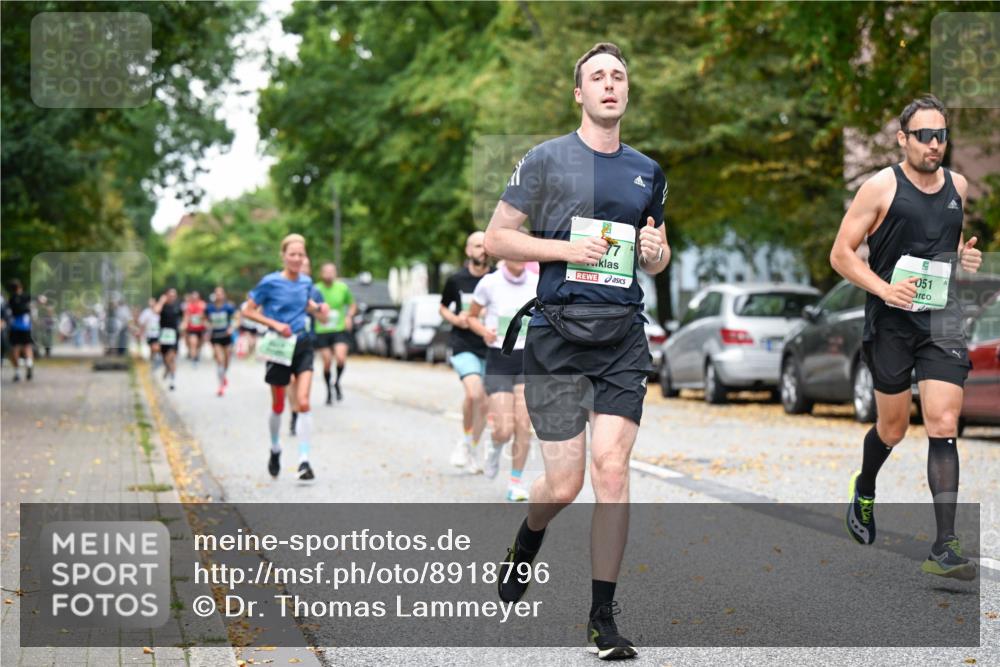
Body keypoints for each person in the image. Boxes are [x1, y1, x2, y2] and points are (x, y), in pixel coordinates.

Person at [484, 43, 670, 660]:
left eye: (618, 76)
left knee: (610, 471)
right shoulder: (545, 160)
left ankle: (601, 618)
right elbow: (496, 237)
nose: (610, 84)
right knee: (563, 485)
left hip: (621, 337)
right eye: (598, 77)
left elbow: (658, 251)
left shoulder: (647, 170)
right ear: (580, 94)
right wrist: (566, 250)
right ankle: (527, 537)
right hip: (558, 338)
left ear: (627, 91)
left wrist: (654, 254)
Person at [831, 94, 982, 581]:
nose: (934, 144)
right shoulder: (880, 187)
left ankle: (945, 546)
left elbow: (947, 246)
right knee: (893, 429)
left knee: (943, 421)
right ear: (903, 138)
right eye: (924, 135)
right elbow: (841, 253)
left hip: (941, 320)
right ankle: (865, 486)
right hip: (891, 321)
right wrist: (884, 289)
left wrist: (965, 259)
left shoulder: (958, 186)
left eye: (941, 135)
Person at [241, 234, 329, 481]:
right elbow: (247, 310)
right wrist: (275, 324)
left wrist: (319, 310)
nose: (297, 258)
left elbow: (307, 305)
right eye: (293, 254)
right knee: (279, 404)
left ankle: (304, 461)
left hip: (302, 344)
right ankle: (275, 447)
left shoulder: (306, 282)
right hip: (278, 346)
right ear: (283, 256)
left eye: (301, 254)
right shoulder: (270, 282)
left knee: (303, 401)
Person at [467, 254, 539, 502]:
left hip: (526, 360)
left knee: (523, 425)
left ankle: (515, 483)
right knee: (504, 429)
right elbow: (471, 316)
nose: (519, 258)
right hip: (499, 359)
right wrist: (483, 331)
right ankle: (495, 446)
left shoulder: (537, 282)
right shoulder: (490, 282)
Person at [441, 231, 493, 474]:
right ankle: (465, 439)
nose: (482, 250)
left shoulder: (496, 279)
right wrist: (456, 320)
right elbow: (443, 307)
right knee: (474, 394)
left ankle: (471, 447)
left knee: (485, 404)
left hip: (491, 346)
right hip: (463, 343)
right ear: (468, 250)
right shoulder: (456, 279)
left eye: (486, 246)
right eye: (477, 246)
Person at [313, 263, 357, 405]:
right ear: (321, 273)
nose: (329, 274)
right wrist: (318, 315)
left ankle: (337, 382)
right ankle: (329, 392)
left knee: (340, 358)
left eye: (332, 271)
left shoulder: (342, 287)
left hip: (339, 328)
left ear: (336, 273)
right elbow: (310, 307)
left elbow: (352, 304)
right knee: (327, 362)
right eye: (326, 271)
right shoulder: (316, 289)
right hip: (322, 330)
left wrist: (349, 316)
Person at [206, 286, 237, 396]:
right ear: (214, 295)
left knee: (227, 361)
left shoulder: (228, 307)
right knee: (220, 360)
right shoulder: (209, 308)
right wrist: (208, 327)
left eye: (221, 294)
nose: (219, 296)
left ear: (224, 295)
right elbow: (204, 319)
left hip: (226, 337)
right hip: (215, 337)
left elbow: (237, 318)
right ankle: (220, 386)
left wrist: (231, 327)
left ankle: (223, 375)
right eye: (217, 294)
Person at [6, 280, 35, 382]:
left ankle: (17, 372)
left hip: (15, 327)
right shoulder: (26, 296)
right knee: (27, 347)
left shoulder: (11, 299)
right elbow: (36, 299)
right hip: (26, 327)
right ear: (20, 287)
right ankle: (29, 363)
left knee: (15, 348)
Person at [154, 288, 182, 390]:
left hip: (174, 335)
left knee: (171, 358)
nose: (172, 297)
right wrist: (161, 301)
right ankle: (167, 368)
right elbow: (156, 311)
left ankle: (172, 380)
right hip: (163, 335)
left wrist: (183, 325)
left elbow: (184, 317)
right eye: (170, 295)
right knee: (165, 358)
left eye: (174, 296)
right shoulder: (163, 306)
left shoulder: (178, 306)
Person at [182, 290, 208, 363]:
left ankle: (197, 354)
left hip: (201, 328)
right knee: (193, 343)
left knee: (199, 344)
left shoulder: (203, 304)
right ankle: (194, 359)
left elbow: (206, 315)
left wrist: (203, 317)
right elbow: (186, 316)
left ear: (199, 297)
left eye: (196, 296)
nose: (194, 298)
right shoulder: (188, 305)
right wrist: (184, 323)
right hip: (192, 328)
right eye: (193, 297)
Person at [137, 297, 162, 368]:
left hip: (157, 333)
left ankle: (156, 359)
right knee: (152, 348)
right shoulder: (146, 312)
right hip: (149, 334)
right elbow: (141, 323)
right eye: (150, 302)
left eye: (152, 302)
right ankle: (152, 360)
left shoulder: (159, 311)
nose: (151, 303)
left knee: (155, 347)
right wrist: (140, 332)